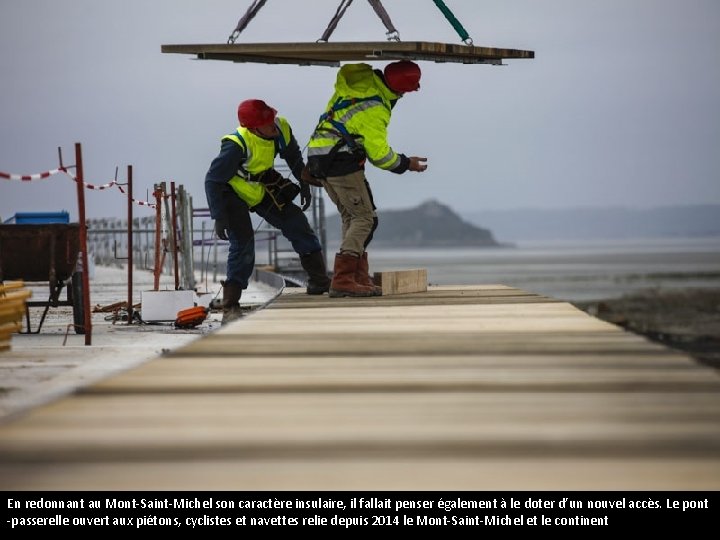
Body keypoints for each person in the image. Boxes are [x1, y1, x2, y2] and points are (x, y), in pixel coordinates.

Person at [305, 60, 428, 298]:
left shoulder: (360, 83)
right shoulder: (376, 107)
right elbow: (380, 156)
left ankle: (357, 278)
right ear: (400, 89)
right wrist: (406, 163)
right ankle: (343, 279)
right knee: (365, 219)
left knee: (351, 217)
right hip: (340, 159)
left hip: (319, 156)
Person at [205, 99, 331, 323]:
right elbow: (213, 180)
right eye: (266, 122)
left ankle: (319, 281)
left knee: (297, 224)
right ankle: (230, 306)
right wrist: (219, 216)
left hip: (262, 187)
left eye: (271, 118)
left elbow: (293, 156)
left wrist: (304, 183)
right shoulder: (236, 144)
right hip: (232, 192)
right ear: (253, 127)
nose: (272, 124)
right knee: (243, 243)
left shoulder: (280, 128)